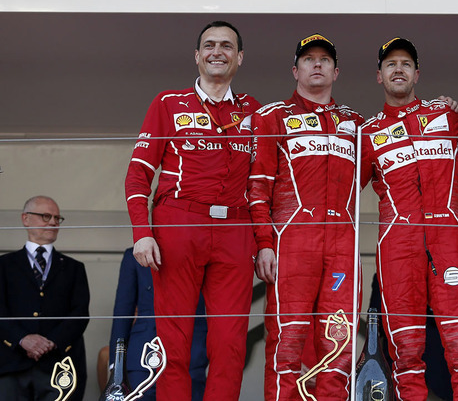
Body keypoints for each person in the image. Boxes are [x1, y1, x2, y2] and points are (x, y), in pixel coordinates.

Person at [124, 21, 261, 401]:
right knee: (174, 337)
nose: (218, 51)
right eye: (210, 45)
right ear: (197, 56)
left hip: (236, 228)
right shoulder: (168, 103)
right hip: (179, 223)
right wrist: (143, 232)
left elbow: (265, 183)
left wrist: (265, 242)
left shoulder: (255, 111)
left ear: (240, 57)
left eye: (227, 46)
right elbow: (138, 174)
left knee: (230, 339)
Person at [360, 38, 458, 400]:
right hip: (397, 249)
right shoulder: (367, 133)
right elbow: (341, 187)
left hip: (448, 243)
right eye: (390, 64)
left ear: (417, 73)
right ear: (379, 77)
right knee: (406, 354)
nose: (398, 69)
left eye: (405, 63)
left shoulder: (448, 116)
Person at [249, 33, 364, 400]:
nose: (317, 64)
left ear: (336, 71)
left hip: (343, 244)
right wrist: (265, 244)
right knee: (287, 340)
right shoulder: (272, 116)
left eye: (325, 60)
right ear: (295, 70)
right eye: (309, 59)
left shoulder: (356, 123)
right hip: (291, 242)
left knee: (339, 341)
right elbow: (257, 190)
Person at [0, 196, 90, 400]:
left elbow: (80, 313)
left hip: (60, 367)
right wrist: (23, 339)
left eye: (57, 218)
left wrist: (50, 342)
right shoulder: (4, 265)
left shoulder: (74, 268)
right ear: (26, 219)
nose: (53, 223)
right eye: (46, 216)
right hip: (9, 366)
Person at [109, 247, 209, 400]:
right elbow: (123, 311)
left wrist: (203, 352)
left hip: (190, 352)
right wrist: (116, 362)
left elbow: (207, 310)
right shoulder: (133, 254)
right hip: (142, 354)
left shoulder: (201, 252)